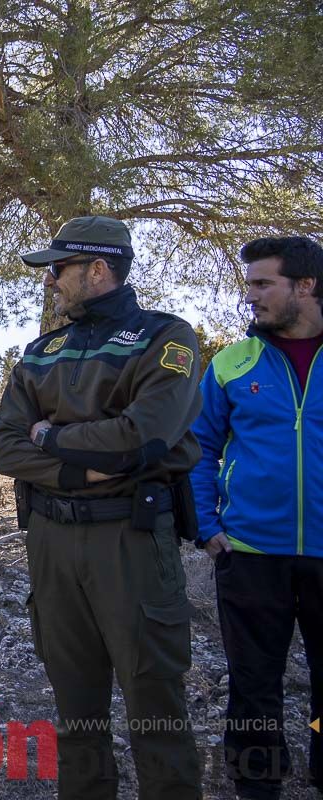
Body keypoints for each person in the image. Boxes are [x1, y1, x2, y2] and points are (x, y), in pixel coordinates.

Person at [0, 216, 203, 799]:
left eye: (58, 269)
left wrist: (49, 437)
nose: (51, 281)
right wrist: (82, 460)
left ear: (98, 270)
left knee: (155, 705)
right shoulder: (41, 351)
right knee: (75, 709)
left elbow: (144, 435)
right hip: (52, 543)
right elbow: (4, 446)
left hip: (129, 541)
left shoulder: (166, 337)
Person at [189, 236, 323, 800]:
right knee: (253, 686)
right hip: (248, 555)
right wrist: (208, 526)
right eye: (248, 283)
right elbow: (199, 447)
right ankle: (258, 787)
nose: (250, 296)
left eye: (263, 283)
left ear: (306, 285)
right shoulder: (231, 363)